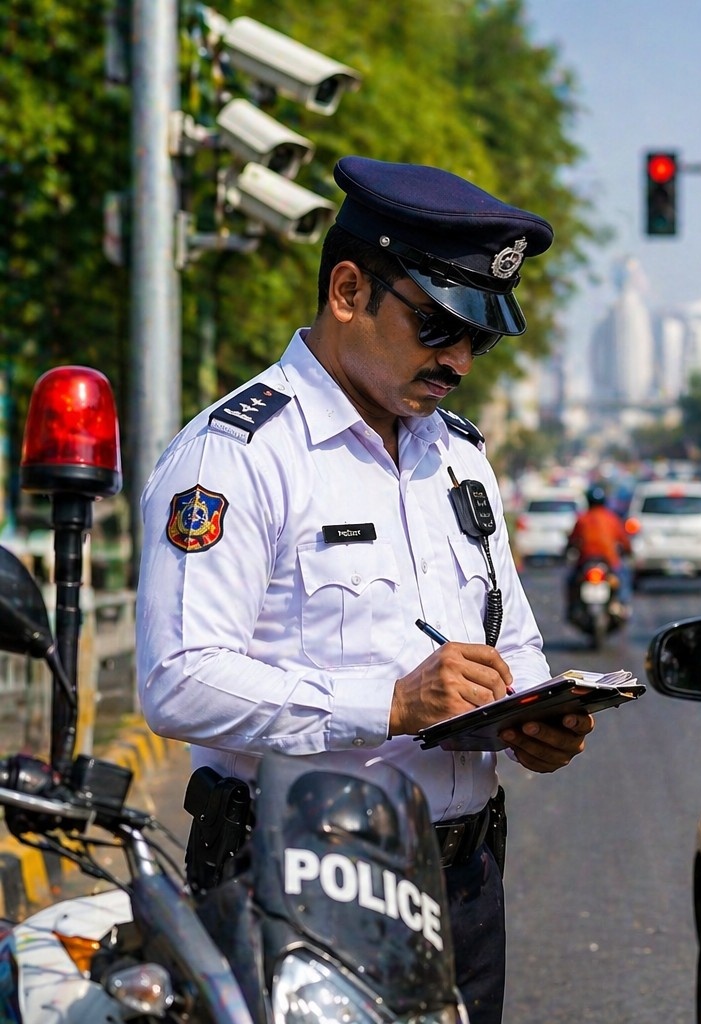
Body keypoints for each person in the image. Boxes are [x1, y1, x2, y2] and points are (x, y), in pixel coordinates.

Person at [135, 155, 593, 1024]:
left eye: (478, 338)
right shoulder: (236, 455)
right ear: (349, 290)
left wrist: (533, 711)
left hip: (461, 886)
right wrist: (388, 704)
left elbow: (513, 638)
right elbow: (179, 679)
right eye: (436, 327)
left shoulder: (456, 454)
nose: (458, 360)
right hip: (297, 883)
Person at [565, 483, 632, 611]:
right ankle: (623, 605)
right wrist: (628, 551)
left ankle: (572, 606)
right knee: (623, 577)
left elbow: (572, 539)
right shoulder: (611, 518)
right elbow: (624, 540)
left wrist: (568, 549)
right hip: (608, 560)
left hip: (586, 561)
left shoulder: (582, 519)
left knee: (571, 579)